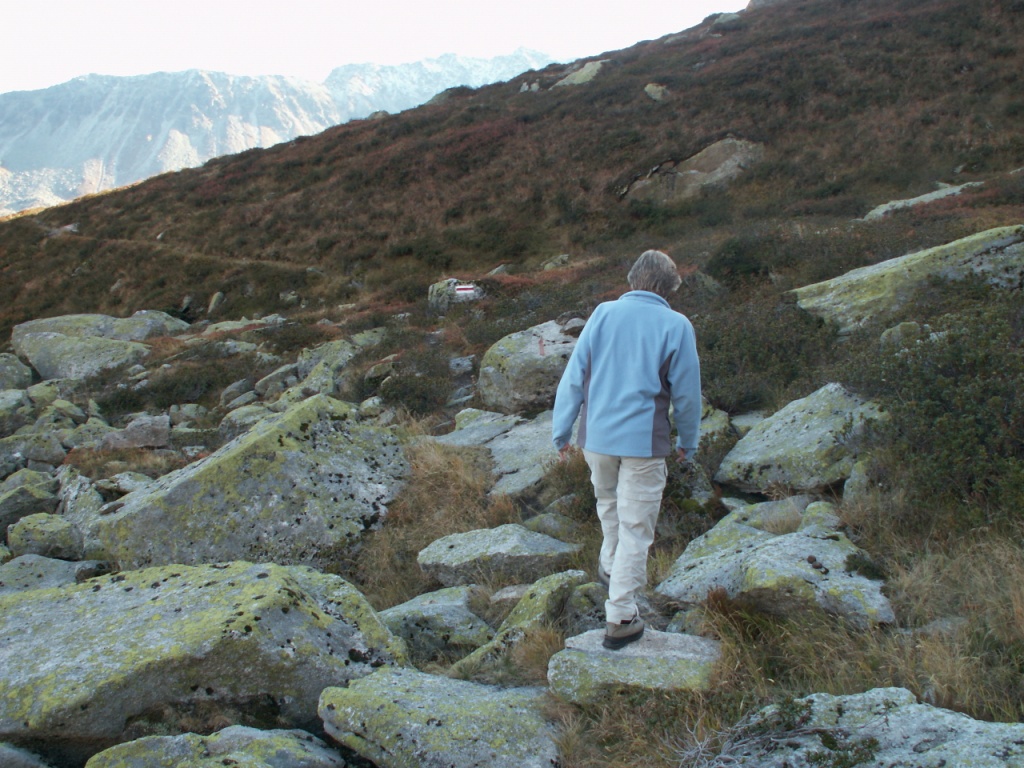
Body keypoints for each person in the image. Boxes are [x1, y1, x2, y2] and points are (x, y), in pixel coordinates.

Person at [552, 250, 702, 650]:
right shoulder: (677, 325)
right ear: (669, 287)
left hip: (597, 439)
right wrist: (688, 441)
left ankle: (608, 565)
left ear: (633, 279)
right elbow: (687, 394)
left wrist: (561, 432)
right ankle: (620, 615)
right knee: (637, 528)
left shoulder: (602, 314)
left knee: (608, 503)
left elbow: (574, 376)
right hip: (643, 443)